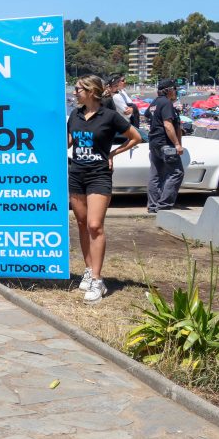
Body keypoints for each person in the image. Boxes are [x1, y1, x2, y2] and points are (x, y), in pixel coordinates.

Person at [68, 75, 140, 303]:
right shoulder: (75, 115)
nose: (74, 92)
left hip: (99, 175)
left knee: (94, 225)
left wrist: (112, 154)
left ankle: (98, 280)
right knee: (81, 223)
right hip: (76, 174)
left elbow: (135, 137)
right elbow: (68, 142)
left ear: (91, 91)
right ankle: (88, 270)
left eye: (78, 89)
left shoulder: (109, 116)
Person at [148, 78, 185, 213]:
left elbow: (148, 116)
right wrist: (177, 144)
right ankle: (164, 205)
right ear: (169, 90)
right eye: (175, 89)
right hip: (165, 144)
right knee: (177, 173)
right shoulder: (166, 103)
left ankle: (153, 206)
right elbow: (168, 125)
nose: (176, 92)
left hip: (154, 143)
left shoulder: (154, 103)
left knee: (156, 175)